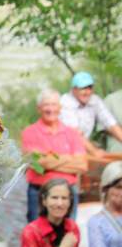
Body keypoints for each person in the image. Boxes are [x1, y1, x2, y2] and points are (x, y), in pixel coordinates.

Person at [21, 89, 88, 222]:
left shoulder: (71, 133)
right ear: (39, 108)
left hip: (68, 193)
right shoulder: (29, 132)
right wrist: (69, 158)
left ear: (60, 107)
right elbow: (38, 164)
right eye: (46, 105)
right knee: (37, 236)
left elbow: (82, 165)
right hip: (39, 192)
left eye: (54, 104)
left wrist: (50, 160)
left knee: (67, 236)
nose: (51, 109)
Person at [60, 71, 122, 157]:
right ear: (74, 89)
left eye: (90, 88)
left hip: (80, 148)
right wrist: (94, 151)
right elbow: (75, 134)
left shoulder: (94, 100)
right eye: (83, 88)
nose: (87, 92)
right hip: (61, 149)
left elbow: (111, 124)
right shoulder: (65, 103)